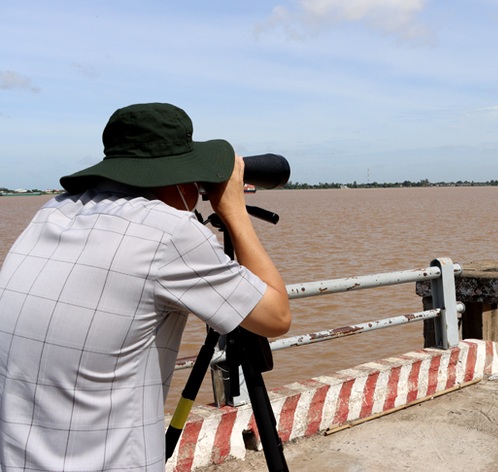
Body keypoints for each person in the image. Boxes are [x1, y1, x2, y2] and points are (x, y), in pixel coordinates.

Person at [0, 103, 291, 471]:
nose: (195, 190)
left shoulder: (51, 212)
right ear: (170, 177)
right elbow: (277, 317)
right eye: (192, 178)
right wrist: (233, 211)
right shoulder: (168, 232)